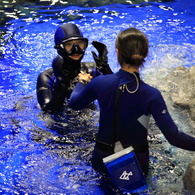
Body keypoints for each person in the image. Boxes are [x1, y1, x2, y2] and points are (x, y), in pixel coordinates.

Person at [69, 27, 195, 176]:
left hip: (101, 157)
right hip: (136, 161)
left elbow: (74, 103)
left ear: (117, 53)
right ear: (145, 54)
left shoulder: (99, 83)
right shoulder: (151, 94)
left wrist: (81, 82)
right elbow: (174, 138)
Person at [36, 23, 113, 113]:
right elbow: (48, 111)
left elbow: (119, 93)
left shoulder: (93, 70)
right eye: (68, 44)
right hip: (58, 125)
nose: (76, 49)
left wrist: (105, 68)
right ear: (59, 48)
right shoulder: (47, 77)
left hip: (89, 120)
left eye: (80, 43)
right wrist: (62, 85)